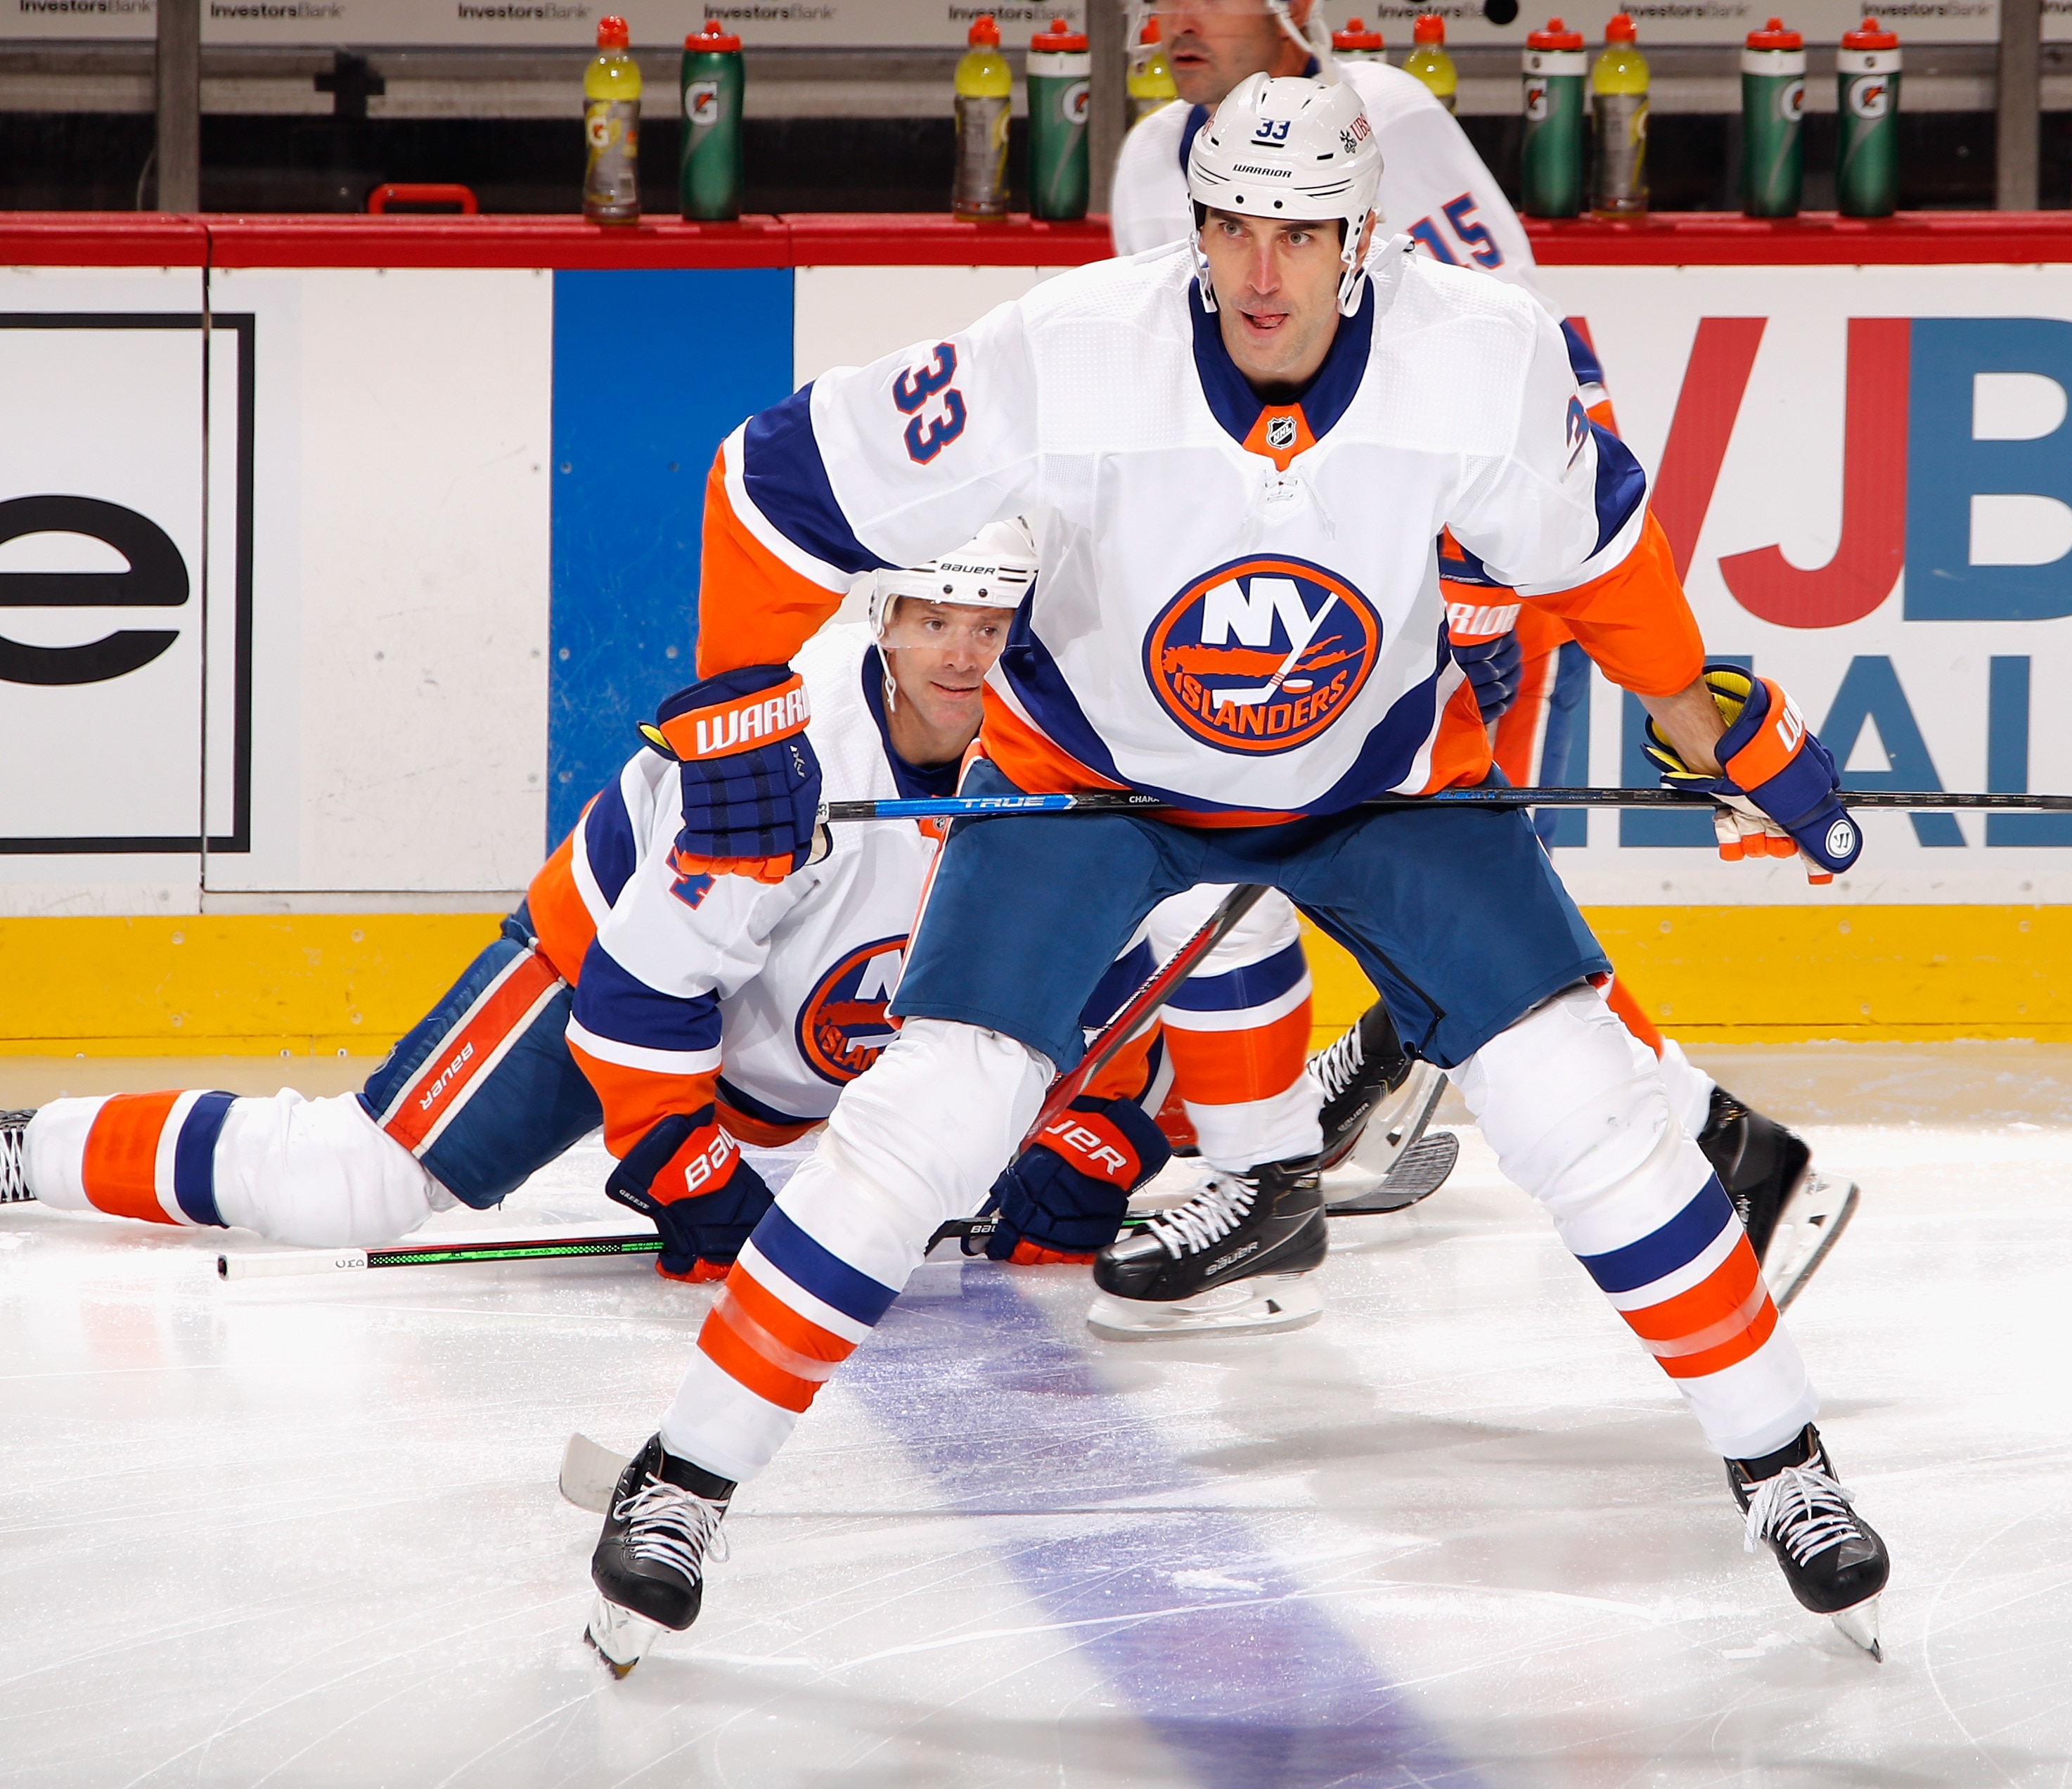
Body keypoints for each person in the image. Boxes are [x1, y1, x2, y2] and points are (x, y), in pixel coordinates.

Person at [576, 74, 1891, 1676]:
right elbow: (773, 486)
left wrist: (1723, 727)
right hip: (1095, 787)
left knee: (1582, 1100)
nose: (1264, 275)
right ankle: (684, 1480)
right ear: (1195, 231)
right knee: (929, 1119)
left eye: (1301, 234)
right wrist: (736, 705)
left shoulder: (1480, 358)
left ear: (1364, 241)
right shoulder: (1059, 357)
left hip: (1386, 786)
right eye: (1232, 229)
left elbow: (1600, 560)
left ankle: (1786, 1469)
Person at [1112, 0, 1843, 1282]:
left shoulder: (1382, 119)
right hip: (1309, 595)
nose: (1170, 19)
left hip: (1457, 586)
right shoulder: (1142, 162)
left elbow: (1524, 370)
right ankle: (1327, 1114)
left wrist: (1477, 598)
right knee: (1338, 875)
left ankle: (1718, 1160)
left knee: (1452, 901)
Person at [0, 527, 1213, 1278]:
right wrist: (682, 1165)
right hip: (608, 975)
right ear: (883, 622)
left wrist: (1096, 1131)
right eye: (934, 621)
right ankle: (31, 1149)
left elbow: (1125, 977)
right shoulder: (785, 763)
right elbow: (646, 990)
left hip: (810, 1033)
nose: (962, 657)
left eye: (992, 627)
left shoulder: (1072, 758)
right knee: (346, 1185)